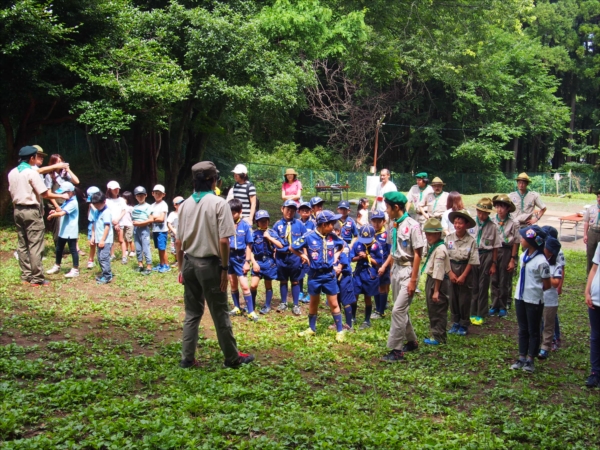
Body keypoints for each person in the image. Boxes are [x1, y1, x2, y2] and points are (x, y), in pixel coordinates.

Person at [176, 161, 254, 369]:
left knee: (192, 313)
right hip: (210, 265)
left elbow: (177, 241)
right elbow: (223, 241)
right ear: (213, 180)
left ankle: (187, 358)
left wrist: (180, 268)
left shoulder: (184, 205)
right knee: (219, 312)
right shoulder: (219, 204)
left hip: (189, 262)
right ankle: (232, 357)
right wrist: (224, 269)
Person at [8, 146, 69, 286]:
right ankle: (37, 278)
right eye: (36, 156)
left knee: (22, 244)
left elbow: (12, 193)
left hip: (17, 210)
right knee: (35, 244)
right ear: (31, 158)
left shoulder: (12, 172)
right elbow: (45, 193)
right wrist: (62, 195)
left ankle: (26, 275)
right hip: (31, 211)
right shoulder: (31, 172)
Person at [379, 192, 424, 362]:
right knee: (400, 309)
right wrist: (390, 268)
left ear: (396, 207)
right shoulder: (394, 225)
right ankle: (411, 341)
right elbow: (393, 250)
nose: (386, 210)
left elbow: (418, 253)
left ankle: (396, 350)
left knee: (397, 310)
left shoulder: (412, 226)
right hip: (397, 270)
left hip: (408, 271)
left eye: (388, 207)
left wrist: (413, 280)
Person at [293, 210, 347, 342]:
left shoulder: (332, 236)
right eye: (332, 223)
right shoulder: (308, 236)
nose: (334, 226)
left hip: (329, 275)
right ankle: (311, 328)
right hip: (314, 276)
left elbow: (343, 245)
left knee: (334, 303)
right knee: (313, 302)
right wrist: (304, 256)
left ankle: (340, 330)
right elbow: (293, 247)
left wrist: (336, 255)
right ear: (324, 224)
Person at [510, 226, 551, 374]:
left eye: (524, 238)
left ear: (532, 242)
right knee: (522, 329)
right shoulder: (523, 256)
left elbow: (547, 284)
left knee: (534, 330)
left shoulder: (541, 261)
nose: (521, 239)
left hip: (533, 300)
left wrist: (535, 291)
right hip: (520, 297)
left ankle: (530, 359)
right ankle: (521, 357)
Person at [445, 210, 479, 336]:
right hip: (452, 269)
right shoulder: (449, 238)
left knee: (464, 297)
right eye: (455, 222)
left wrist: (464, 275)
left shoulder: (471, 241)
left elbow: (472, 259)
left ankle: (464, 324)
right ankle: (455, 322)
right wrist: (450, 273)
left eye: (460, 223)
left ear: (466, 224)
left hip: (465, 270)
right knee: (453, 297)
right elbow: (445, 257)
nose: (457, 225)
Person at [469, 198, 501, 326]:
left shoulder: (493, 226)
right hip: (473, 255)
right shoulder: (471, 223)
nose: (481, 215)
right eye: (479, 212)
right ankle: (471, 311)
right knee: (472, 284)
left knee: (483, 285)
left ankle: (481, 313)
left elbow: (495, 246)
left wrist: (493, 263)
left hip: (486, 255)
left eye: (484, 213)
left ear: (488, 213)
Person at [273, 200, 307, 314]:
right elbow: (274, 241)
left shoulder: (300, 224)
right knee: (283, 280)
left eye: (292, 210)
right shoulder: (277, 225)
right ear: (282, 209)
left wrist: (305, 255)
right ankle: (283, 302)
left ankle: (296, 304)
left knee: (295, 281)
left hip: (295, 257)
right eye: (288, 209)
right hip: (281, 256)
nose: (290, 212)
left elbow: (305, 240)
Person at [43, 153, 81, 254]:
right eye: (58, 162)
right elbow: (48, 193)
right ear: (53, 163)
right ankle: (59, 249)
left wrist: (68, 170)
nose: (61, 164)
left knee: (70, 225)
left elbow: (77, 181)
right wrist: (56, 206)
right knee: (58, 228)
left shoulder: (64, 175)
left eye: (61, 161)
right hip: (56, 204)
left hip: (67, 204)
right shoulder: (49, 176)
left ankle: (74, 247)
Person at [226, 198, 257, 321]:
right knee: (233, 283)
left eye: (234, 213)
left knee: (244, 285)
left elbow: (249, 245)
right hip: (229, 257)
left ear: (240, 212)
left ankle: (251, 311)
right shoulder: (225, 224)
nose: (232, 215)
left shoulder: (245, 226)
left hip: (240, 257)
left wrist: (247, 262)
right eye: (230, 213)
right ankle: (237, 307)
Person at [421, 218, 451, 345]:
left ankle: (439, 337)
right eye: (427, 234)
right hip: (433, 280)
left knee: (437, 308)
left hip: (437, 282)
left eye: (431, 234)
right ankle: (436, 334)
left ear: (438, 234)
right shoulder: (435, 246)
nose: (428, 237)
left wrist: (436, 291)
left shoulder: (440, 250)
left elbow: (438, 271)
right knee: (433, 308)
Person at [490, 194, 519, 316]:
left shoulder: (513, 223)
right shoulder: (492, 221)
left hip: (507, 251)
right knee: (494, 278)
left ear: (508, 209)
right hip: (494, 250)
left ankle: (503, 305)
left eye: (502, 207)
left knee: (504, 279)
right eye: (497, 206)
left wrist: (512, 259)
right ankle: (494, 304)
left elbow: (516, 242)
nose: (499, 210)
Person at [250, 210, 284, 314]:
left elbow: (280, 245)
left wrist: (269, 238)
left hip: (269, 262)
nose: (263, 222)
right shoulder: (254, 234)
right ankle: (251, 305)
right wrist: (254, 263)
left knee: (268, 284)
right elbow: (249, 250)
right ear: (257, 222)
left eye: (265, 220)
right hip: (258, 261)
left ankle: (267, 305)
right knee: (253, 285)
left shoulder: (272, 233)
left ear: (268, 221)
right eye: (261, 221)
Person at [46, 182, 80, 278]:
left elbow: (62, 213)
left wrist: (52, 215)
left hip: (70, 230)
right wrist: (55, 210)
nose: (61, 195)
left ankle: (75, 269)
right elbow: (61, 209)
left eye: (63, 193)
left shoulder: (73, 202)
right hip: (64, 230)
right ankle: (57, 265)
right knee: (59, 248)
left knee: (73, 250)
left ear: (69, 192)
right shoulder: (67, 201)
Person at [539, 236, 563, 360]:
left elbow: (555, 283)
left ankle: (545, 347)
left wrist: (545, 276)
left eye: (546, 248)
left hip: (550, 301)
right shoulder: (539, 261)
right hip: (537, 298)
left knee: (548, 325)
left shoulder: (556, 266)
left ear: (551, 252)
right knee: (537, 323)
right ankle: (536, 345)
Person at [351, 225, 380, 330]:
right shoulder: (358, 244)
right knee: (355, 295)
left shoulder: (376, 246)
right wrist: (359, 257)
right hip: (358, 273)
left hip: (370, 274)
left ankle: (367, 320)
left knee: (368, 297)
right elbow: (351, 258)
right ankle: (352, 317)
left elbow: (379, 263)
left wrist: (367, 257)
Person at [332, 221, 356, 330]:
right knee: (335, 299)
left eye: (332, 230)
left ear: (337, 231)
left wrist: (339, 268)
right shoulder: (328, 243)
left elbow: (344, 259)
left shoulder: (343, 244)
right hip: (333, 276)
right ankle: (338, 323)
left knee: (345, 299)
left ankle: (348, 324)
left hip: (344, 276)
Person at [585, 243, 600, 387]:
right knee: (595, 337)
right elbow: (594, 269)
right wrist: (587, 291)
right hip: (596, 299)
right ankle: (595, 372)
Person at [90, 192, 114, 285]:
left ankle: (107, 276)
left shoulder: (106, 212)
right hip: (98, 239)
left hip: (105, 240)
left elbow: (107, 227)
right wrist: (93, 236)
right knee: (99, 258)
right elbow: (94, 224)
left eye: (98, 204)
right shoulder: (96, 211)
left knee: (104, 258)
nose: (96, 206)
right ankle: (104, 274)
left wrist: (103, 240)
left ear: (104, 202)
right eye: (94, 204)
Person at [371, 211, 391, 319]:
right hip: (372, 266)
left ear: (384, 221)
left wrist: (385, 267)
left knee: (383, 287)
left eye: (379, 221)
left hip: (383, 267)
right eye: (374, 221)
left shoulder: (386, 235)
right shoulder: (370, 233)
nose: (376, 224)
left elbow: (391, 253)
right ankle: (378, 308)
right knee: (375, 287)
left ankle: (381, 311)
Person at [131, 186, 153, 275]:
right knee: (138, 247)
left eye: (142, 195)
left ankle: (149, 266)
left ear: (146, 195)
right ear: (135, 196)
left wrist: (140, 223)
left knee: (146, 247)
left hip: (144, 229)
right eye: (138, 195)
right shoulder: (134, 207)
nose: (140, 197)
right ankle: (140, 264)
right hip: (136, 229)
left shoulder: (148, 206)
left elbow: (151, 219)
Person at [105, 181, 127, 264]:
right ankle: (112, 254)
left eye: (118, 189)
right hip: (110, 222)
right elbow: (107, 212)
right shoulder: (107, 201)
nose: (116, 190)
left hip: (119, 222)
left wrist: (117, 220)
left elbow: (124, 211)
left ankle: (124, 256)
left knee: (121, 239)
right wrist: (113, 221)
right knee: (110, 240)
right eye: (114, 189)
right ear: (109, 190)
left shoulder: (121, 200)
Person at [150, 184, 170, 272]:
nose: (157, 195)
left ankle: (166, 265)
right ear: (152, 193)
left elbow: (161, 218)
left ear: (163, 195)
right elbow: (149, 217)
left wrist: (152, 218)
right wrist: (155, 218)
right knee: (159, 248)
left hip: (162, 230)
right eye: (156, 193)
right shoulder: (152, 206)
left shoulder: (164, 205)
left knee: (162, 248)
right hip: (155, 229)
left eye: (160, 193)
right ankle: (161, 264)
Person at [583, 189, 600, 273]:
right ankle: (589, 274)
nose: (599, 199)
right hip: (592, 232)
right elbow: (586, 222)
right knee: (590, 254)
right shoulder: (591, 208)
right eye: (598, 197)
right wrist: (585, 235)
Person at [85, 186, 101, 269]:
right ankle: (90, 260)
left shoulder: (100, 203)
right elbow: (89, 215)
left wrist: (92, 205)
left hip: (99, 224)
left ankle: (100, 259)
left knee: (100, 243)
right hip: (91, 223)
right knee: (92, 243)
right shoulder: (90, 203)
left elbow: (98, 211)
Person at [167, 196, 184, 264]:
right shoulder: (172, 214)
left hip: (183, 235)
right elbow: (169, 223)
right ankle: (177, 260)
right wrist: (173, 230)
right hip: (174, 235)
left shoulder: (185, 213)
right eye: (180, 203)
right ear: (175, 205)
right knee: (174, 248)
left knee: (183, 248)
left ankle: (182, 261)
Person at [121, 191, 136, 259]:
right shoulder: (121, 207)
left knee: (129, 238)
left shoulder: (130, 208)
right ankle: (126, 250)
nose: (123, 199)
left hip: (129, 225)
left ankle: (133, 251)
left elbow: (133, 216)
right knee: (125, 239)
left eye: (124, 198)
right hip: (123, 225)